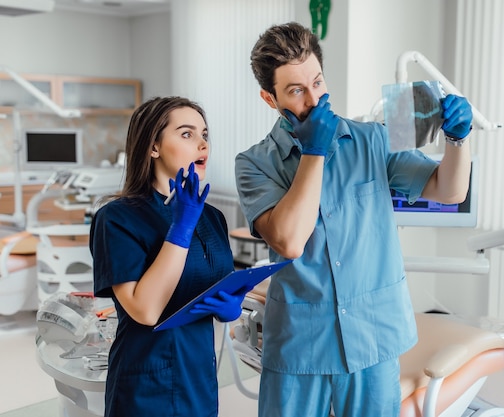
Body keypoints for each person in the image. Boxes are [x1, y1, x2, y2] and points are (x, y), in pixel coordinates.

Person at [235, 22, 473, 417]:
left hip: (372, 337)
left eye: (317, 82)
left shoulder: (373, 139)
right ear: (268, 97)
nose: (314, 98)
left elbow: (449, 191)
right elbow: (289, 241)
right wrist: (314, 151)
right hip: (300, 346)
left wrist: (458, 140)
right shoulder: (255, 164)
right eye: (295, 91)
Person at [90, 96, 247, 417]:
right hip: (145, 384)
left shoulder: (212, 217)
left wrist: (231, 308)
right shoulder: (116, 218)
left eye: (205, 134)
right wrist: (181, 227)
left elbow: (213, 291)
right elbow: (145, 311)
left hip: (198, 378)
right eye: (187, 134)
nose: (202, 143)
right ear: (153, 147)